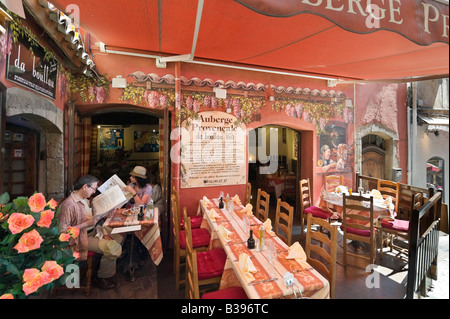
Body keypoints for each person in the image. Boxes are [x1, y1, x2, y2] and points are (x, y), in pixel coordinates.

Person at [59, 175, 122, 290]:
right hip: (80, 239)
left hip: (93, 231)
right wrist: (87, 223)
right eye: (93, 188)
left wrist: (106, 215)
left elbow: (92, 218)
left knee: (119, 237)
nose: (94, 192)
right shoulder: (69, 204)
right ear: (84, 187)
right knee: (113, 247)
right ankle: (102, 278)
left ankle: (102, 267)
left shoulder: (85, 200)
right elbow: (63, 232)